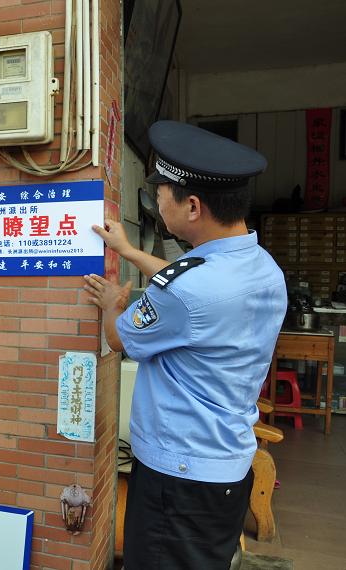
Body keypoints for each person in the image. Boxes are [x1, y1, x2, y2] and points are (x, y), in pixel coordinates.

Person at [84, 121, 287, 569]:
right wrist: (129, 251)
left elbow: (119, 338)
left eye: (160, 196)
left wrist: (112, 305)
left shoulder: (186, 291)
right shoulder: (262, 267)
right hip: (228, 466)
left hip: (177, 480)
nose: (158, 204)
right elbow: (193, 287)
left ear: (192, 206)